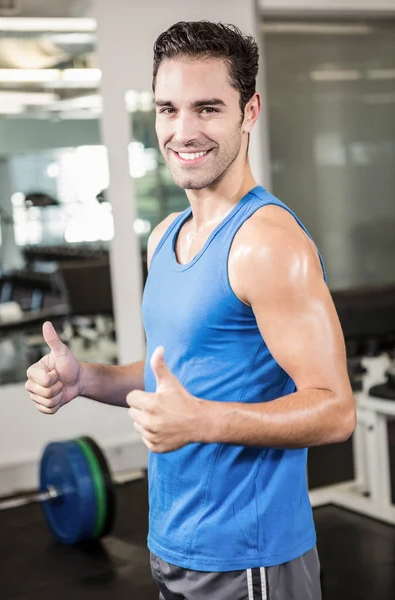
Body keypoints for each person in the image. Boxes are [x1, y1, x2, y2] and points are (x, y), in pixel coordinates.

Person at [25, 21, 356, 600]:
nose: (183, 130)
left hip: (249, 558)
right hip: (173, 544)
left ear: (249, 111)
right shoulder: (165, 236)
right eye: (167, 109)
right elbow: (174, 371)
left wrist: (204, 422)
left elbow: (335, 411)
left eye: (207, 108)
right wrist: (87, 379)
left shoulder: (267, 242)